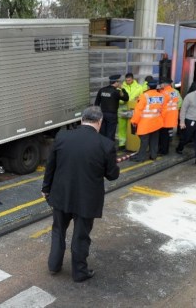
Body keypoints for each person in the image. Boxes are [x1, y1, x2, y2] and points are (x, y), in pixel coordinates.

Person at [41, 106, 120, 282]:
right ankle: (79, 272)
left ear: (81, 120)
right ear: (99, 122)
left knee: (58, 230)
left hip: (62, 195)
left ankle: (54, 265)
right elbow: (112, 175)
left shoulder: (62, 137)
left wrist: (46, 188)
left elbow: (50, 166)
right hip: (87, 199)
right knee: (81, 236)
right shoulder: (105, 144)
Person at [130, 79, 169, 162]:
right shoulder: (162, 96)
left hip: (145, 123)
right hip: (157, 122)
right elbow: (164, 110)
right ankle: (153, 155)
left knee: (144, 141)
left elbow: (138, 110)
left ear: (148, 86)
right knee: (154, 140)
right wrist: (161, 120)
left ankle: (141, 158)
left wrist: (134, 121)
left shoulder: (144, 96)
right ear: (156, 86)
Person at [175, 81, 196, 168]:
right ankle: (179, 148)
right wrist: (182, 122)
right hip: (190, 121)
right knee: (186, 138)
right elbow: (183, 110)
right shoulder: (189, 96)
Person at [95, 74, 129, 142]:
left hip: (102, 114)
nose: (119, 83)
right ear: (116, 82)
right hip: (112, 115)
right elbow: (126, 98)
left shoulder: (102, 90)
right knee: (110, 134)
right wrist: (122, 88)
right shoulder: (117, 92)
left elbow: (96, 103)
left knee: (102, 133)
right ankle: (109, 150)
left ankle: (102, 150)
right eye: (118, 82)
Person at [118, 73, 144, 149]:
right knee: (122, 127)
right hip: (122, 110)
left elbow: (142, 98)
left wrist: (137, 99)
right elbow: (118, 98)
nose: (127, 81)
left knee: (132, 128)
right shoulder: (121, 87)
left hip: (134, 110)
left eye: (129, 80)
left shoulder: (139, 87)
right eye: (126, 80)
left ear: (132, 79)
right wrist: (123, 101)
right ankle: (122, 143)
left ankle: (132, 143)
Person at [158, 78, 181, 155]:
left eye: (161, 84)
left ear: (164, 84)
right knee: (167, 135)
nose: (160, 85)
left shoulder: (164, 93)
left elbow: (162, 107)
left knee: (163, 135)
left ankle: (163, 151)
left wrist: (160, 117)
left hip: (165, 117)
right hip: (172, 116)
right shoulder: (174, 92)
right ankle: (165, 150)